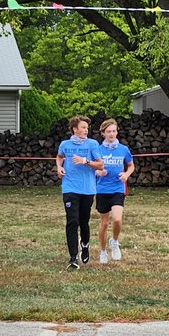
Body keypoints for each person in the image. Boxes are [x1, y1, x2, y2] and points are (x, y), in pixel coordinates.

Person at [55, 115, 103, 270]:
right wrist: (59, 167)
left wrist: (85, 161)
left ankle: (85, 244)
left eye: (87, 128)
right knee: (72, 221)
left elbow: (100, 165)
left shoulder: (92, 144)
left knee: (83, 222)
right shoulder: (65, 144)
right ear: (74, 129)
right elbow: (59, 156)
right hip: (69, 188)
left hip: (87, 189)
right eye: (83, 127)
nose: (86, 130)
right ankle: (73, 257)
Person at [94, 118, 135, 263]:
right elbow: (90, 167)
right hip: (102, 189)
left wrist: (126, 174)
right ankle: (103, 251)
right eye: (109, 131)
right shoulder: (97, 149)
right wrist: (97, 173)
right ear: (103, 133)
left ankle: (115, 241)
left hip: (118, 188)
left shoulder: (123, 149)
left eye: (114, 131)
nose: (112, 134)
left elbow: (131, 165)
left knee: (117, 219)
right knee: (104, 223)